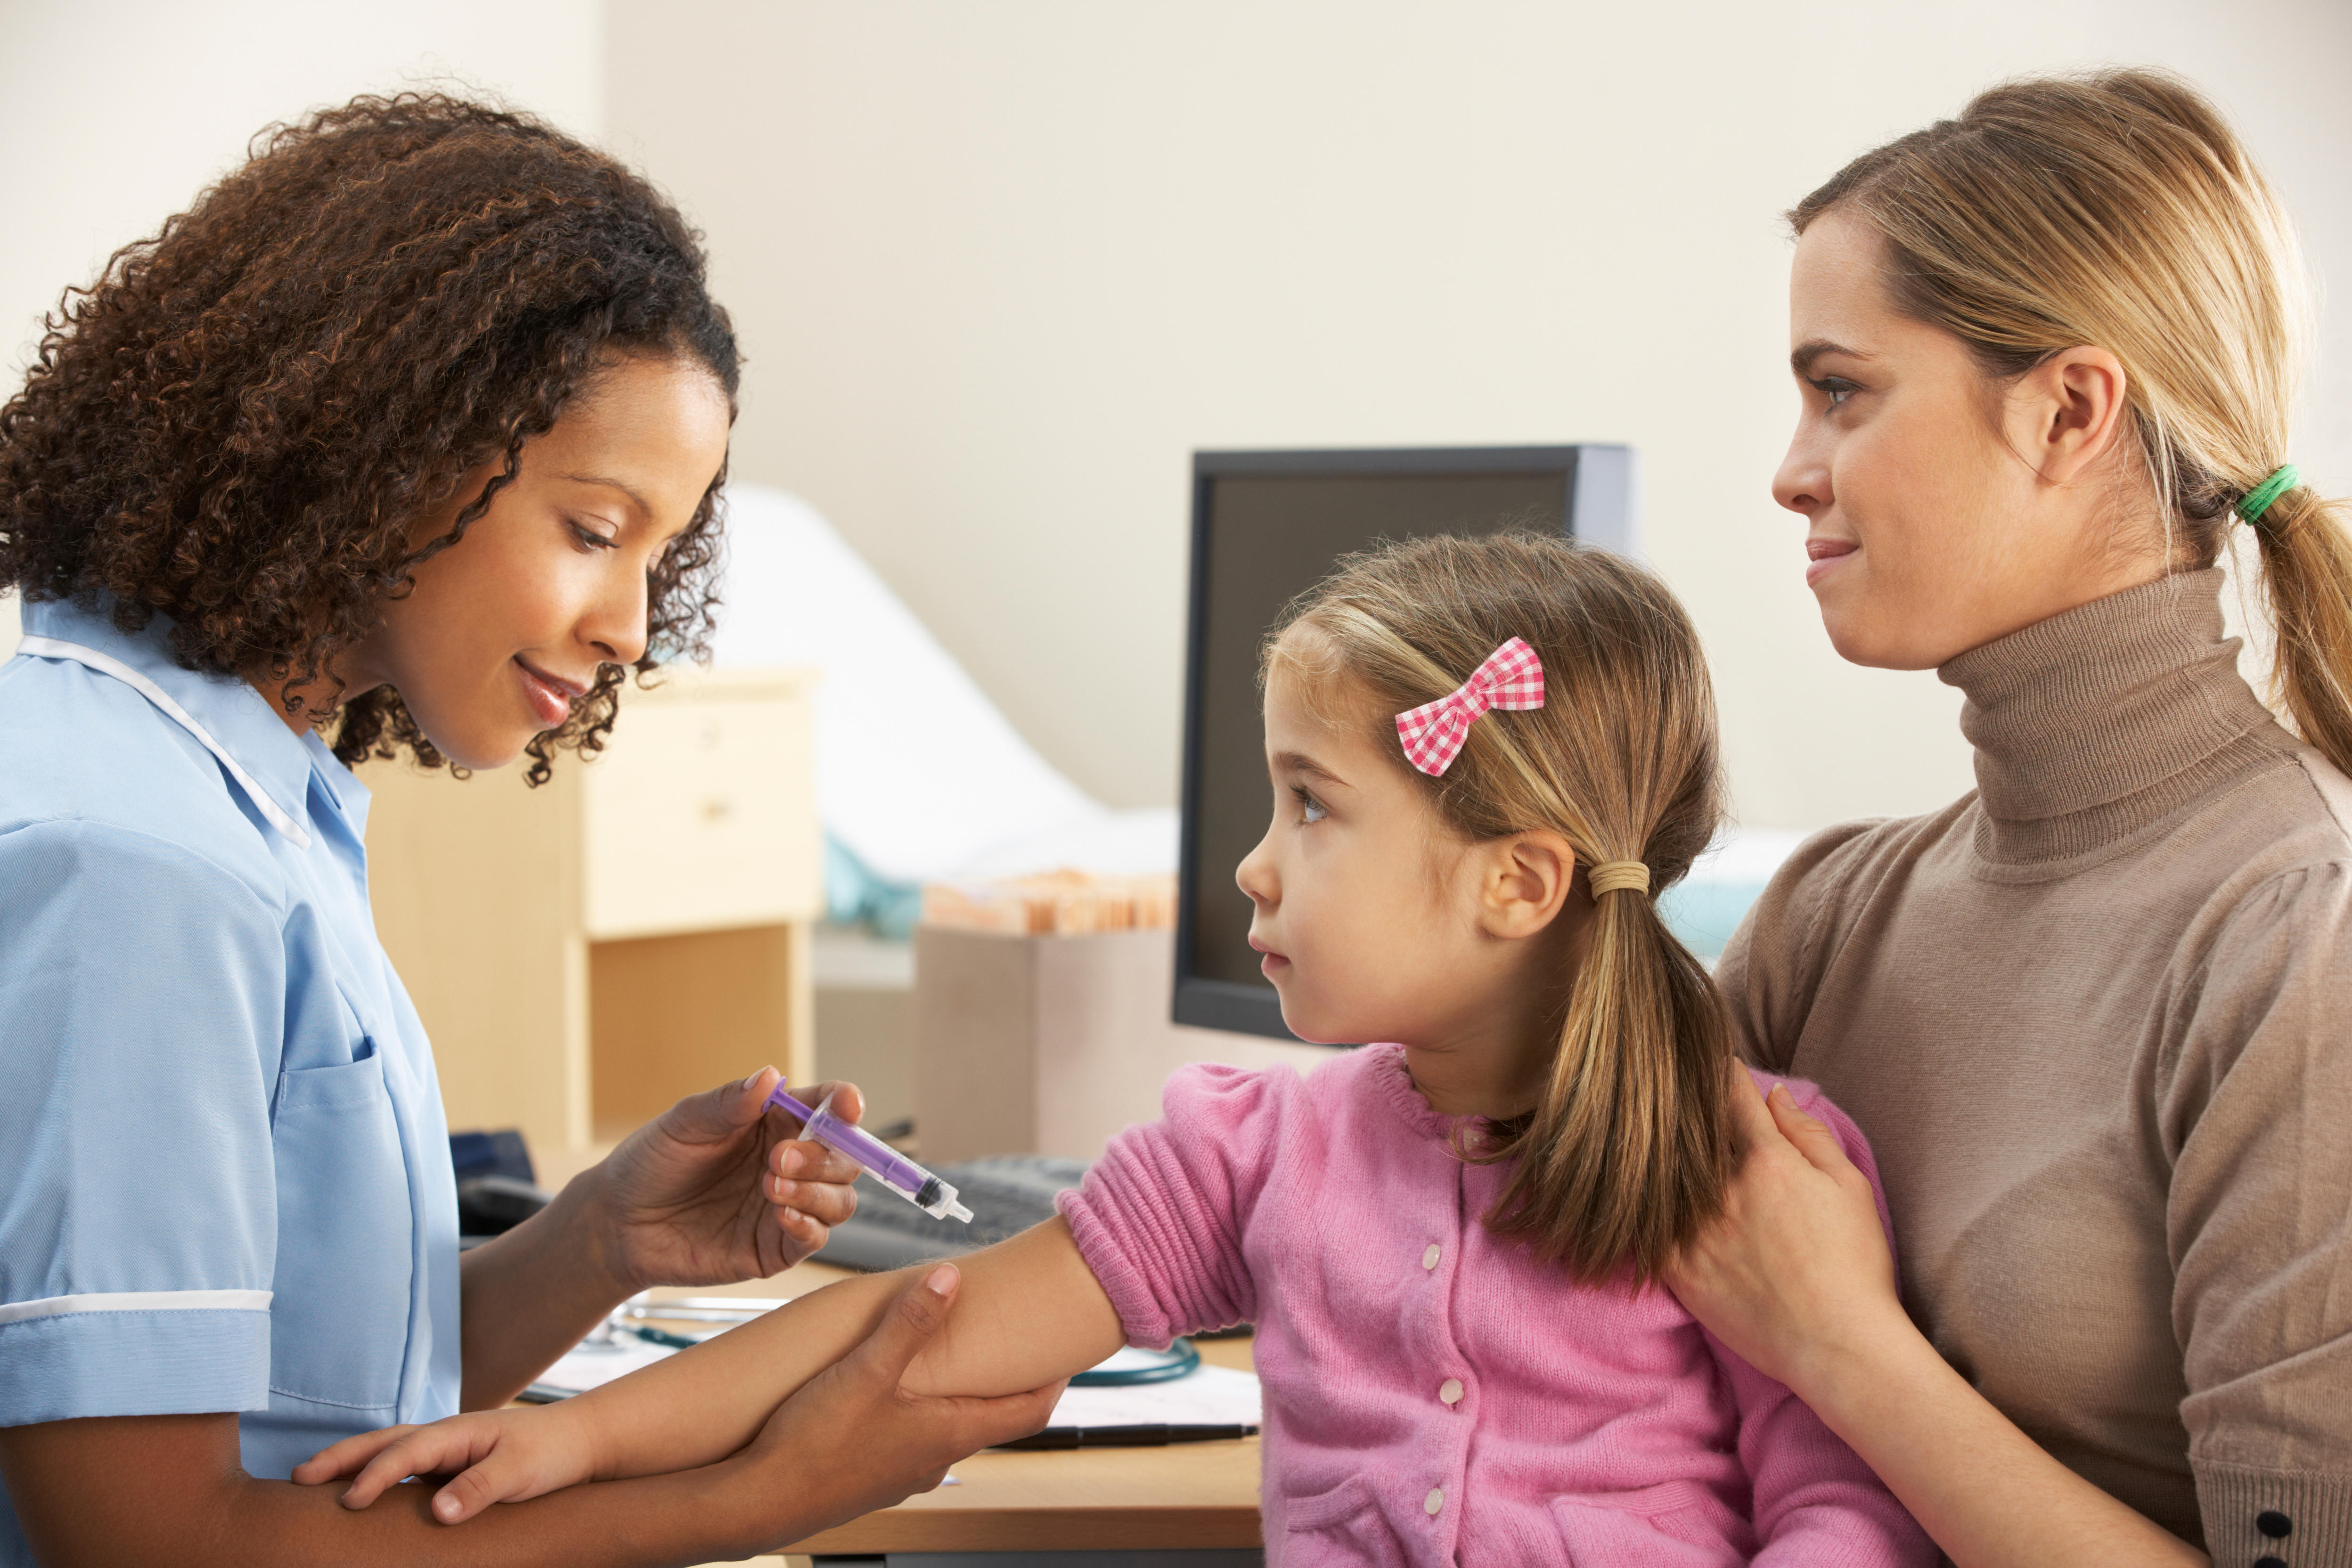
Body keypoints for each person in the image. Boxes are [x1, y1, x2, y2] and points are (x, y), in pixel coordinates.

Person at [298, 533, 1937, 1566]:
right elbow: (922, 1319)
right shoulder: (1263, 1151)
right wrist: (569, 1434)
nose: (1252, 865)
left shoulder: (1753, 1176)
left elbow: (1845, 1511)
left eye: (1312, 805)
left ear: (1518, 880)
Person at [0, 95, 1059, 1567]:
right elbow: (153, 1542)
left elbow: (320, 1419)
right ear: (382, 444)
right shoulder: (137, 867)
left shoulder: (243, 804)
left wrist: (597, 1241)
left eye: (660, 554)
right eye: (592, 529)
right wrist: (751, 1501)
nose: (631, 627)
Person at [1661, 69, 2352, 1568]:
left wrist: (1846, 1349)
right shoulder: (1834, 917)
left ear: (2069, 410)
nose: (1791, 472)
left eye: (1841, 390)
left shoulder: (2299, 931)